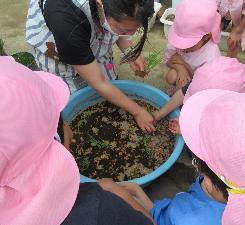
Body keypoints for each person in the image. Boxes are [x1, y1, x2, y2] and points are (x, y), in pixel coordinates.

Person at [0, 56, 154, 225]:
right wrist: (125, 196)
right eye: (60, 118)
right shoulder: (101, 209)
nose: (68, 126)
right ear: (56, 139)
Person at [120, 89, 245, 225]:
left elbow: (159, 219)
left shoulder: (187, 218)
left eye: (197, 158)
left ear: (208, 180)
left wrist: (137, 194)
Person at [26, 0, 155, 132]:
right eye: (125, 30)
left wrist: (130, 51)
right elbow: (99, 82)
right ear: (100, 4)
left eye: (135, 29)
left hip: (88, 25)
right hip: (58, 44)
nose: (132, 34)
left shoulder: (114, 11)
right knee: (75, 98)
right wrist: (137, 111)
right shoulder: (65, 19)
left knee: (107, 82)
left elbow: (121, 21)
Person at [153, 56, 245, 134]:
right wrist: (160, 114)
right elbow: (183, 93)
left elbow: (213, 129)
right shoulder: (207, 79)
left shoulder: (238, 113)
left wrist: (187, 129)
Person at [164, 0, 221, 94]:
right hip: (184, 73)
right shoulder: (179, 33)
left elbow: (206, 84)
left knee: (184, 85)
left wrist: (184, 65)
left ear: (206, 37)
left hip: (200, 84)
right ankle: (179, 91)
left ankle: (187, 97)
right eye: (180, 41)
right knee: (172, 76)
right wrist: (180, 68)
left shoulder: (211, 56)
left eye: (188, 44)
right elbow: (168, 60)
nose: (182, 47)